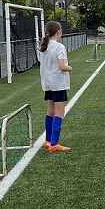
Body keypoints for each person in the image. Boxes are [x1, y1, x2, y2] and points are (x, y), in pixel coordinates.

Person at [37, 21, 72, 152]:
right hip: (58, 83)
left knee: (50, 112)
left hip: (48, 83)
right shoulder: (59, 47)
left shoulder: (44, 47)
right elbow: (61, 67)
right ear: (58, 31)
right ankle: (54, 143)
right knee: (59, 113)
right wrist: (70, 68)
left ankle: (48, 140)